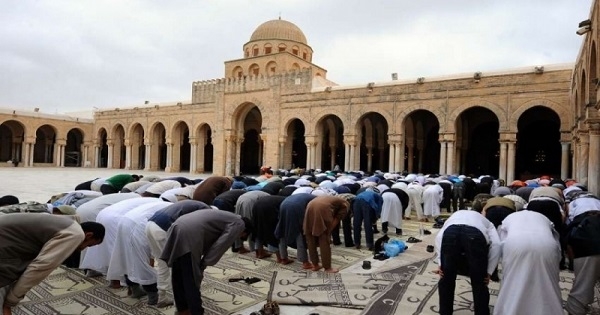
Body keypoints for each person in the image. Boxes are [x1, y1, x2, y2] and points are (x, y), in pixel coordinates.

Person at [0, 214, 104, 314]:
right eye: (89, 245)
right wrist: (10, 301)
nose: (83, 248)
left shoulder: (69, 223)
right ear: (88, 235)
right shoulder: (76, 235)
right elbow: (40, 268)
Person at [160, 210, 253, 315]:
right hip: (190, 233)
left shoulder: (229, 217)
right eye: (240, 236)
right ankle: (196, 311)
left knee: (179, 274)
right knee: (191, 278)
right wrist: (204, 263)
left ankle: (183, 310)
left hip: (177, 225)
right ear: (244, 230)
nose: (237, 237)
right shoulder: (239, 224)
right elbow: (220, 245)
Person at [146, 200, 213, 308]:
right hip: (164, 228)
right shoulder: (207, 211)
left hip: (150, 225)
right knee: (177, 267)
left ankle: (162, 297)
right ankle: (180, 303)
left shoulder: (198, 205)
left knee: (162, 264)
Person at [493, 210, 562, 315]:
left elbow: (501, 241)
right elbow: (555, 239)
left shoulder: (509, 218)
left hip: (516, 243)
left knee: (512, 281)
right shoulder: (543, 218)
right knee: (547, 282)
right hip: (547, 245)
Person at [434, 209, 501, 315]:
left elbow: (439, 238)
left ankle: (445, 312)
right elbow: (497, 245)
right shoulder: (486, 221)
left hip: (451, 232)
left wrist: (441, 264)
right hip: (475, 234)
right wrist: (489, 272)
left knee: (446, 278)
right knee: (479, 281)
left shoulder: (453, 216)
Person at [303, 195, 350, 273]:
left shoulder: (332, 198)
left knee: (311, 239)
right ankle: (327, 268)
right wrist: (328, 230)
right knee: (324, 239)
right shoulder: (346, 203)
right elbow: (338, 218)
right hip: (322, 209)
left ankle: (315, 265)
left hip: (310, 207)